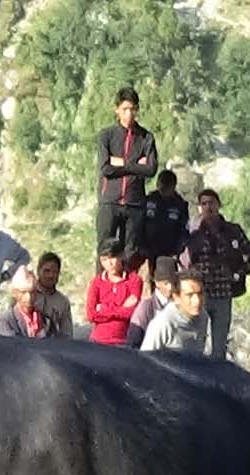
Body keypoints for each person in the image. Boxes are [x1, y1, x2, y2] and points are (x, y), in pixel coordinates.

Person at [180, 188, 250, 359]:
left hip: (223, 293)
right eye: (204, 204)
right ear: (199, 207)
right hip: (200, 295)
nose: (208, 207)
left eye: (211, 203)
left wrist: (238, 274)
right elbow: (182, 260)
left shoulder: (232, 231)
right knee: (195, 345)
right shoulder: (193, 233)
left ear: (219, 205)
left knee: (219, 348)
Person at [95, 88, 158, 269]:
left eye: (132, 109)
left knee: (130, 252)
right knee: (104, 250)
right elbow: (106, 169)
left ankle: (128, 285)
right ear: (116, 110)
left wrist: (121, 163)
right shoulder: (106, 135)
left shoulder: (146, 137)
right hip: (110, 201)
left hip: (134, 203)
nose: (129, 114)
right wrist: (136, 164)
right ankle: (101, 285)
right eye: (124, 109)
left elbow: (151, 169)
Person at [138, 270, 211, 354]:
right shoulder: (163, 324)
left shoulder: (203, 316)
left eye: (200, 293)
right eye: (190, 295)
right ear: (176, 297)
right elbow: (145, 358)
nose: (197, 300)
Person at [86, 239, 142, 346]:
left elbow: (132, 313)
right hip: (98, 341)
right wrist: (122, 308)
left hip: (123, 341)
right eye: (104, 260)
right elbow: (91, 315)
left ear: (121, 256)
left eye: (112, 258)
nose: (109, 264)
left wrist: (103, 308)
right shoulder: (96, 283)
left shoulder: (134, 281)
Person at [0, 266, 64, 339]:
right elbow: (11, 343)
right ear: (15, 293)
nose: (28, 297)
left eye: (32, 292)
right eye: (23, 292)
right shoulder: (3, 319)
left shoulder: (47, 321)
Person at [141, 169, 189, 269]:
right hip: (148, 250)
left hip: (169, 251)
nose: (162, 190)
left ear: (173, 186)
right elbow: (139, 223)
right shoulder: (149, 200)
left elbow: (183, 229)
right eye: (160, 186)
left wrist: (178, 250)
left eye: (166, 188)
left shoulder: (180, 204)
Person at [31, 252, 73, 332]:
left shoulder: (63, 302)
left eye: (55, 272)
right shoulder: (25, 295)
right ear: (38, 271)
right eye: (47, 271)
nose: (50, 275)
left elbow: (67, 334)